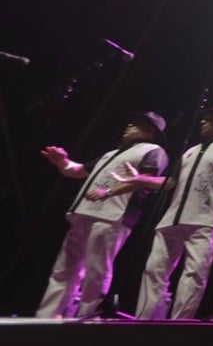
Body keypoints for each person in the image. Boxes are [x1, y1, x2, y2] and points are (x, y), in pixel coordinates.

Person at [118, 103, 213, 319]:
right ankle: (147, 318)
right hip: (171, 219)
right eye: (203, 118)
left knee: (194, 273)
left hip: (205, 219)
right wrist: (141, 179)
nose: (203, 121)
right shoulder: (190, 151)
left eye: (209, 118)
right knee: (154, 270)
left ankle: (180, 322)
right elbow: (171, 181)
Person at [36, 111, 169, 318]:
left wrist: (117, 188)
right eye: (130, 123)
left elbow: (148, 181)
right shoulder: (111, 154)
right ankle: (46, 316)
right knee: (64, 269)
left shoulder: (153, 150)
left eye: (136, 124)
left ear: (150, 132)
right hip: (84, 213)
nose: (129, 126)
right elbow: (78, 170)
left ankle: (87, 317)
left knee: (96, 271)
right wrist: (62, 161)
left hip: (113, 215)